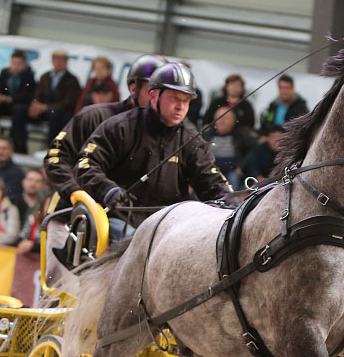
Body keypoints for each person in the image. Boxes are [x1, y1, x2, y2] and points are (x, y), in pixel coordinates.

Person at [74, 62, 232, 239]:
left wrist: (233, 204)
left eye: (186, 100)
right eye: (174, 98)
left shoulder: (191, 139)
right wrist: (108, 190)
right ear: (153, 96)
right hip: (117, 221)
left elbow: (211, 183)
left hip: (167, 229)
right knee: (132, 243)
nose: (181, 106)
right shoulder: (120, 127)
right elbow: (84, 164)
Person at [45, 54, 167, 201]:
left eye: (165, 93)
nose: (158, 98)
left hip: (130, 218)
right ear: (134, 89)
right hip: (74, 212)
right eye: (152, 90)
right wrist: (75, 192)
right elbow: (56, 156)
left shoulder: (172, 133)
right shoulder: (93, 116)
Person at [0, 49, 35, 154]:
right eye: (13, 63)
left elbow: (26, 96)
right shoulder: (4, 72)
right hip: (5, 105)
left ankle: (17, 143)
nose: (16, 66)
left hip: (19, 106)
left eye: (19, 64)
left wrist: (8, 99)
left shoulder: (29, 75)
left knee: (19, 109)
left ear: (24, 64)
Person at [30, 49, 81, 144]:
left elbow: (68, 103)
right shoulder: (45, 76)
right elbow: (37, 94)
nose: (59, 63)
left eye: (62, 61)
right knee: (21, 110)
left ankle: (51, 146)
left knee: (56, 115)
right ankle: (18, 146)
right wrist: (35, 105)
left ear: (66, 62)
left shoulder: (72, 80)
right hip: (43, 110)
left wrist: (47, 107)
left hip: (59, 112)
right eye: (57, 60)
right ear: (52, 61)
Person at [204, 105, 256, 190]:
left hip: (232, 171)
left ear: (233, 121)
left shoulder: (241, 134)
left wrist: (241, 167)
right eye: (219, 118)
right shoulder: (207, 135)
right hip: (211, 171)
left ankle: (233, 203)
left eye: (225, 118)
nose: (221, 121)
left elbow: (252, 151)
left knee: (234, 179)